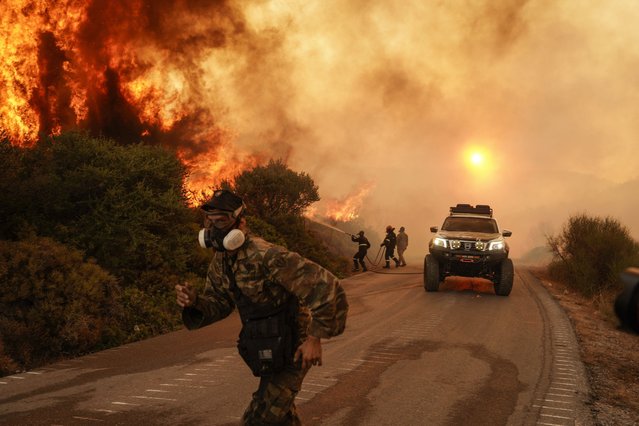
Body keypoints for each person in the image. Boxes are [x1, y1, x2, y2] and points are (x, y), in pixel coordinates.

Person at [175, 189, 348, 425]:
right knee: (281, 416)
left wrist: (314, 339)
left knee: (260, 417)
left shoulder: (267, 256)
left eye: (222, 221)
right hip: (265, 345)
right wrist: (194, 302)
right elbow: (219, 303)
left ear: (240, 223)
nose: (215, 230)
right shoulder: (221, 262)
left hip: (292, 347)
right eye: (211, 222)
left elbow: (326, 286)